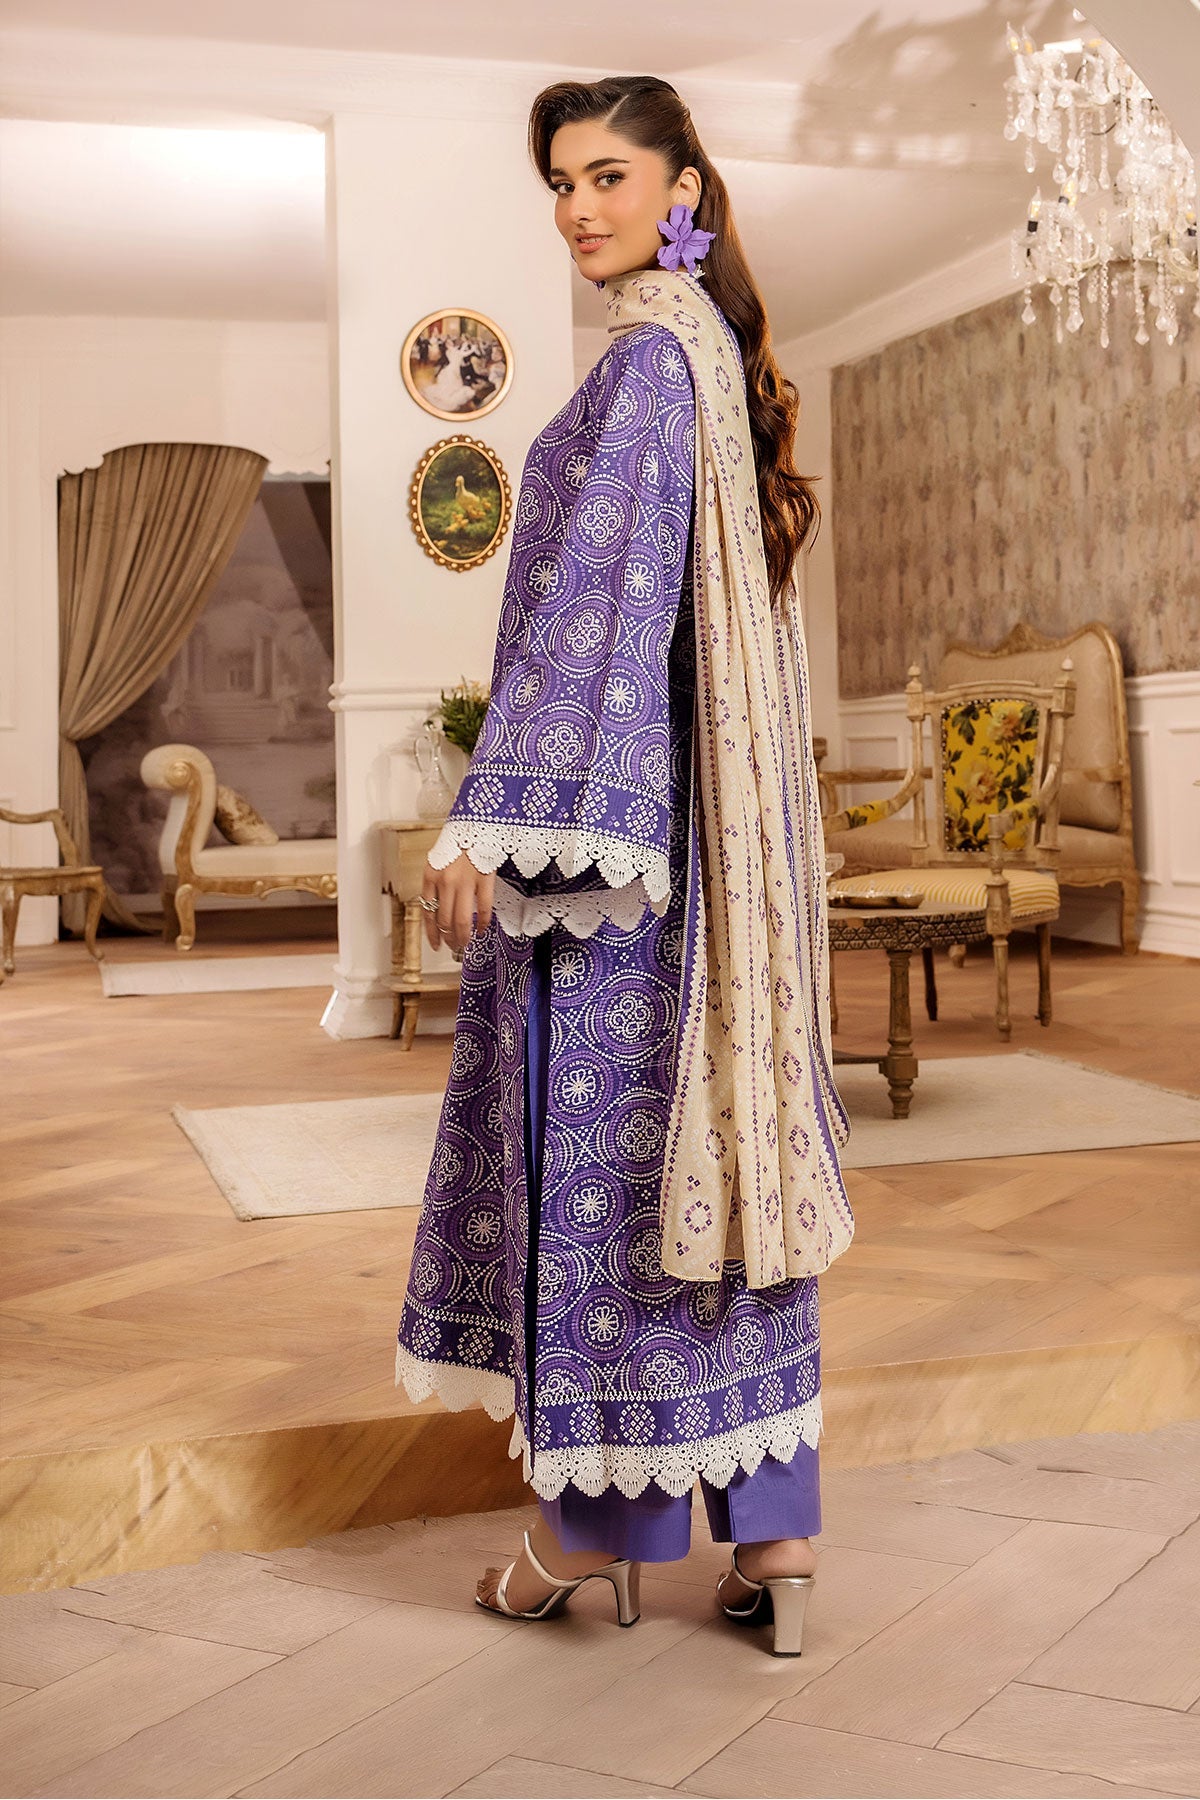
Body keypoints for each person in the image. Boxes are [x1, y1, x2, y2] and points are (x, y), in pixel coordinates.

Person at [395, 74, 854, 1658]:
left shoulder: (652, 362)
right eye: (561, 182)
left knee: (620, 1186)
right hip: (701, 854)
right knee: (718, 1162)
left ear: (681, 190)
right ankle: (778, 1545)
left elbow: (602, 599)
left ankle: (587, 1537)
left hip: (621, 880)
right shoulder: (705, 354)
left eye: (608, 175)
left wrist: (489, 817)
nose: (579, 207)